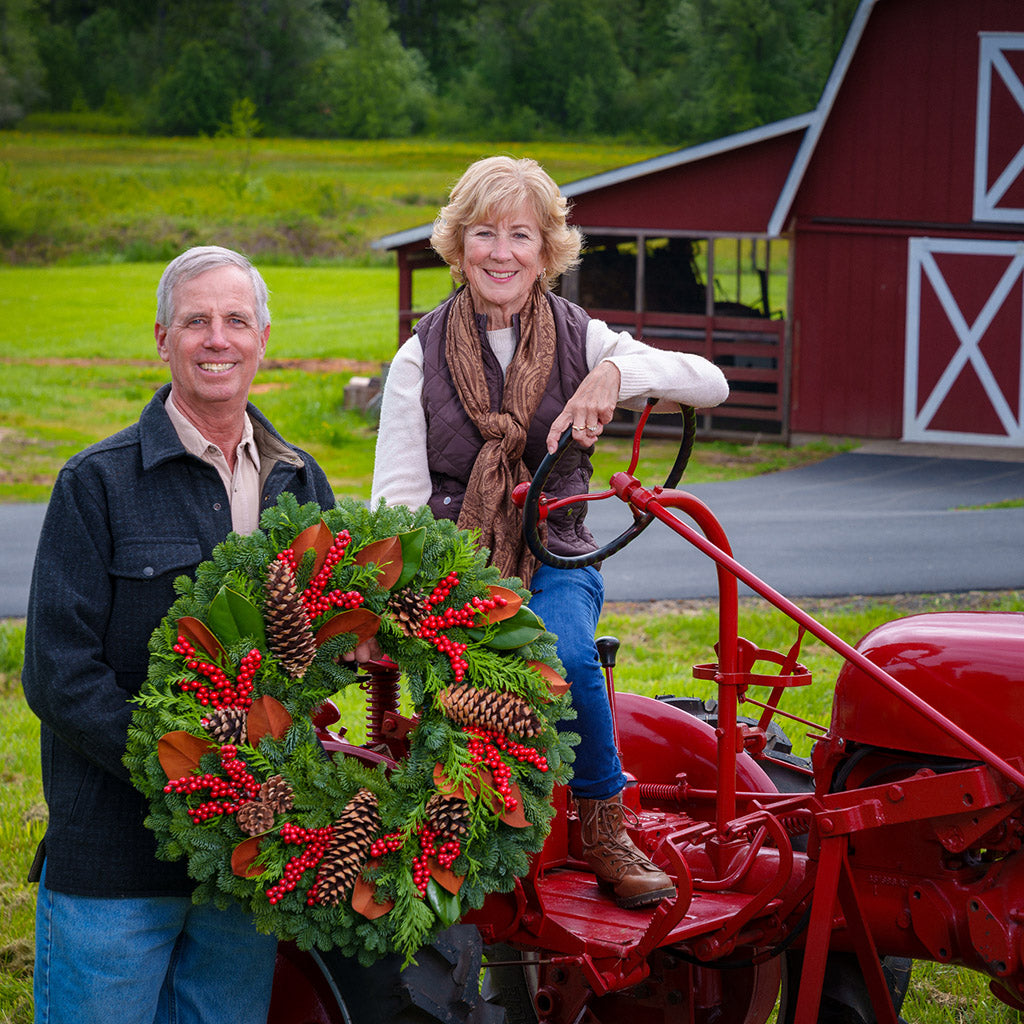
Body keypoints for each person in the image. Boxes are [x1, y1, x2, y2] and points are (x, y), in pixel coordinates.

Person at [372, 156, 730, 909]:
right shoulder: (417, 357)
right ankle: (467, 838)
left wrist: (616, 377)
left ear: (547, 250)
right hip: (457, 568)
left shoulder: (583, 337)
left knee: (562, 649)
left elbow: (710, 381)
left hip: (559, 552)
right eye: (484, 233)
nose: (501, 252)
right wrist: (416, 596)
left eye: (521, 235)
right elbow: (397, 501)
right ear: (458, 245)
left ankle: (602, 826)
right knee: (470, 698)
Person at [22, 246, 336, 1024]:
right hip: (114, 866)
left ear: (264, 338)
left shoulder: (300, 482)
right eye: (196, 321)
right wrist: (187, 771)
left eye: (236, 320)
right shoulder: (96, 484)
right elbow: (59, 675)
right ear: (162, 339)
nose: (217, 338)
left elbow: (320, 648)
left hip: (242, 860)